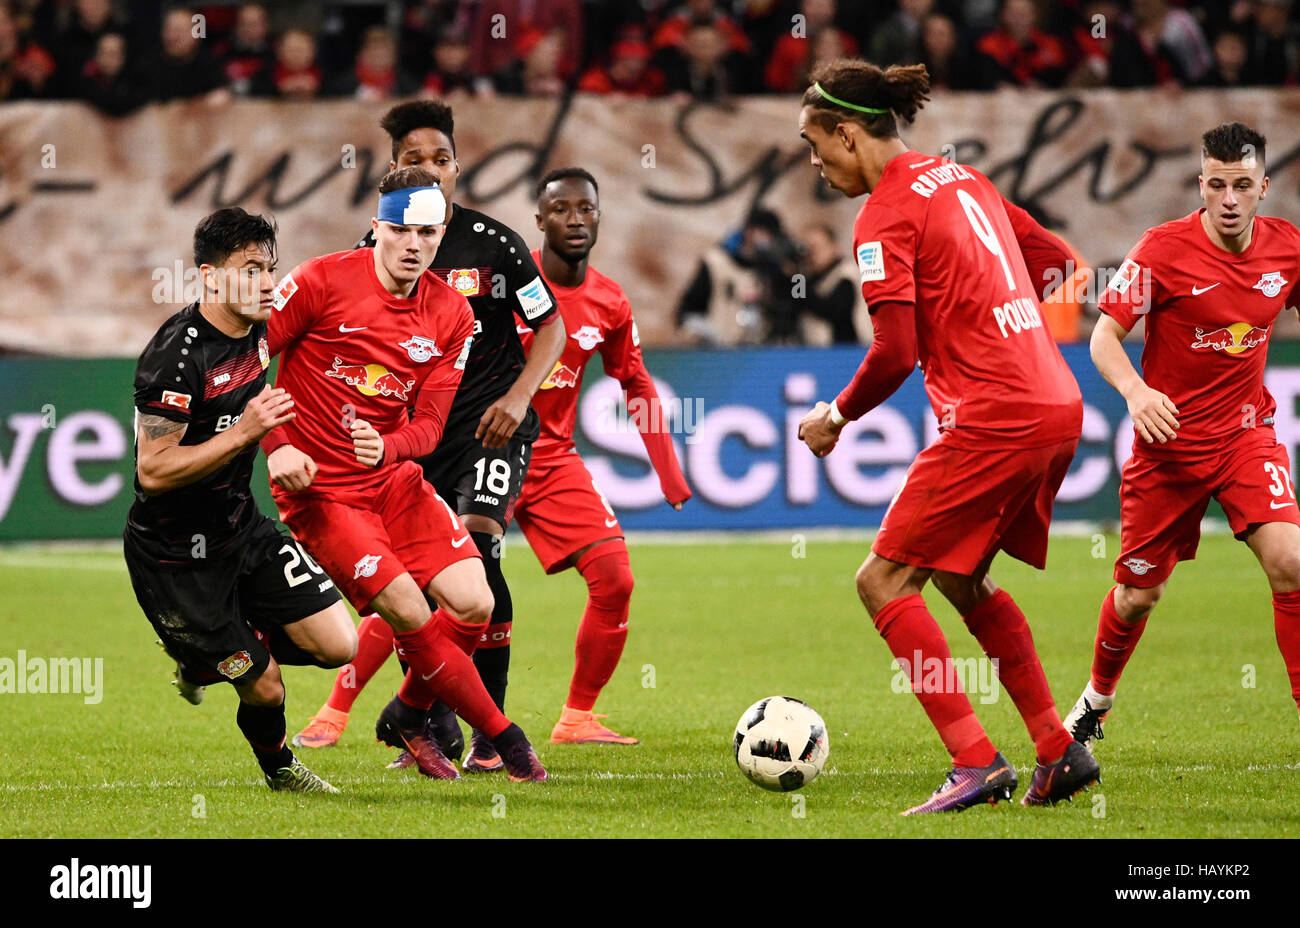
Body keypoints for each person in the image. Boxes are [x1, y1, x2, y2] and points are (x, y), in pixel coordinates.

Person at [794, 58, 1097, 814]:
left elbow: (893, 351)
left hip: (995, 414)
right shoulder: (965, 180)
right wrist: (1004, 321)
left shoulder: (882, 214)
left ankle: (974, 761)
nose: (814, 162)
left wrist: (835, 418)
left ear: (848, 132)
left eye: (814, 143)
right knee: (961, 579)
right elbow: (1063, 265)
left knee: (882, 581)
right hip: (1056, 403)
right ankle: (1058, 752)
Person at [292, 101, 566, 774]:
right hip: (414, 443)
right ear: (394, 171)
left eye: (442, 161)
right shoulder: (371, 250)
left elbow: (550, 328)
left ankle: (480, 738)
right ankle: (425, 719)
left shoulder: (497, 244)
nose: (432, 173)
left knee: (479, 560)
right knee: (421, 588)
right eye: (415, 162)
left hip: (490, 430)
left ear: (457, 167)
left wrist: (517, 396)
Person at [1061, 122, 1300, 755]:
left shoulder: (1288, 249)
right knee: (1139, 594)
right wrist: (1138, 395)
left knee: (1292, 563)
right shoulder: (1162, 250)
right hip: (1168, 450)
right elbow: (1103, 337)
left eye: (1242, 185)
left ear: (1263, 188)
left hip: (1248, 436)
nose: (1228, 198)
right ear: (1201, 184)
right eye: (1216, 184)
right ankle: (1095, 703)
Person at [124, 207, 355, 793]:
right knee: (267, 684)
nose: (267, 282)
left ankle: (209, 653)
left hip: (240, 530)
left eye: (270, 268)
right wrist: (247, 434)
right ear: (208, 276)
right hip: (176, 559)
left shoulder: (256, 331)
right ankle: (281, 769)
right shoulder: (174, 361)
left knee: (339, 644)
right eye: (250, 270)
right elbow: (152, 472)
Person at [517, 167, 691, 743]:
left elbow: (636, 384)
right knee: (436, 589)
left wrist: (669, 471)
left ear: (599, 217)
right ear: (539, 220)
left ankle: (576, 717)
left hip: (549, 458)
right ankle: (337, 712)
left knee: (615, 578)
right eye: (560, 209)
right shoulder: (506, 284)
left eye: (585, 209)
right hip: (475, 452)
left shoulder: (609, 300)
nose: (574, 219)